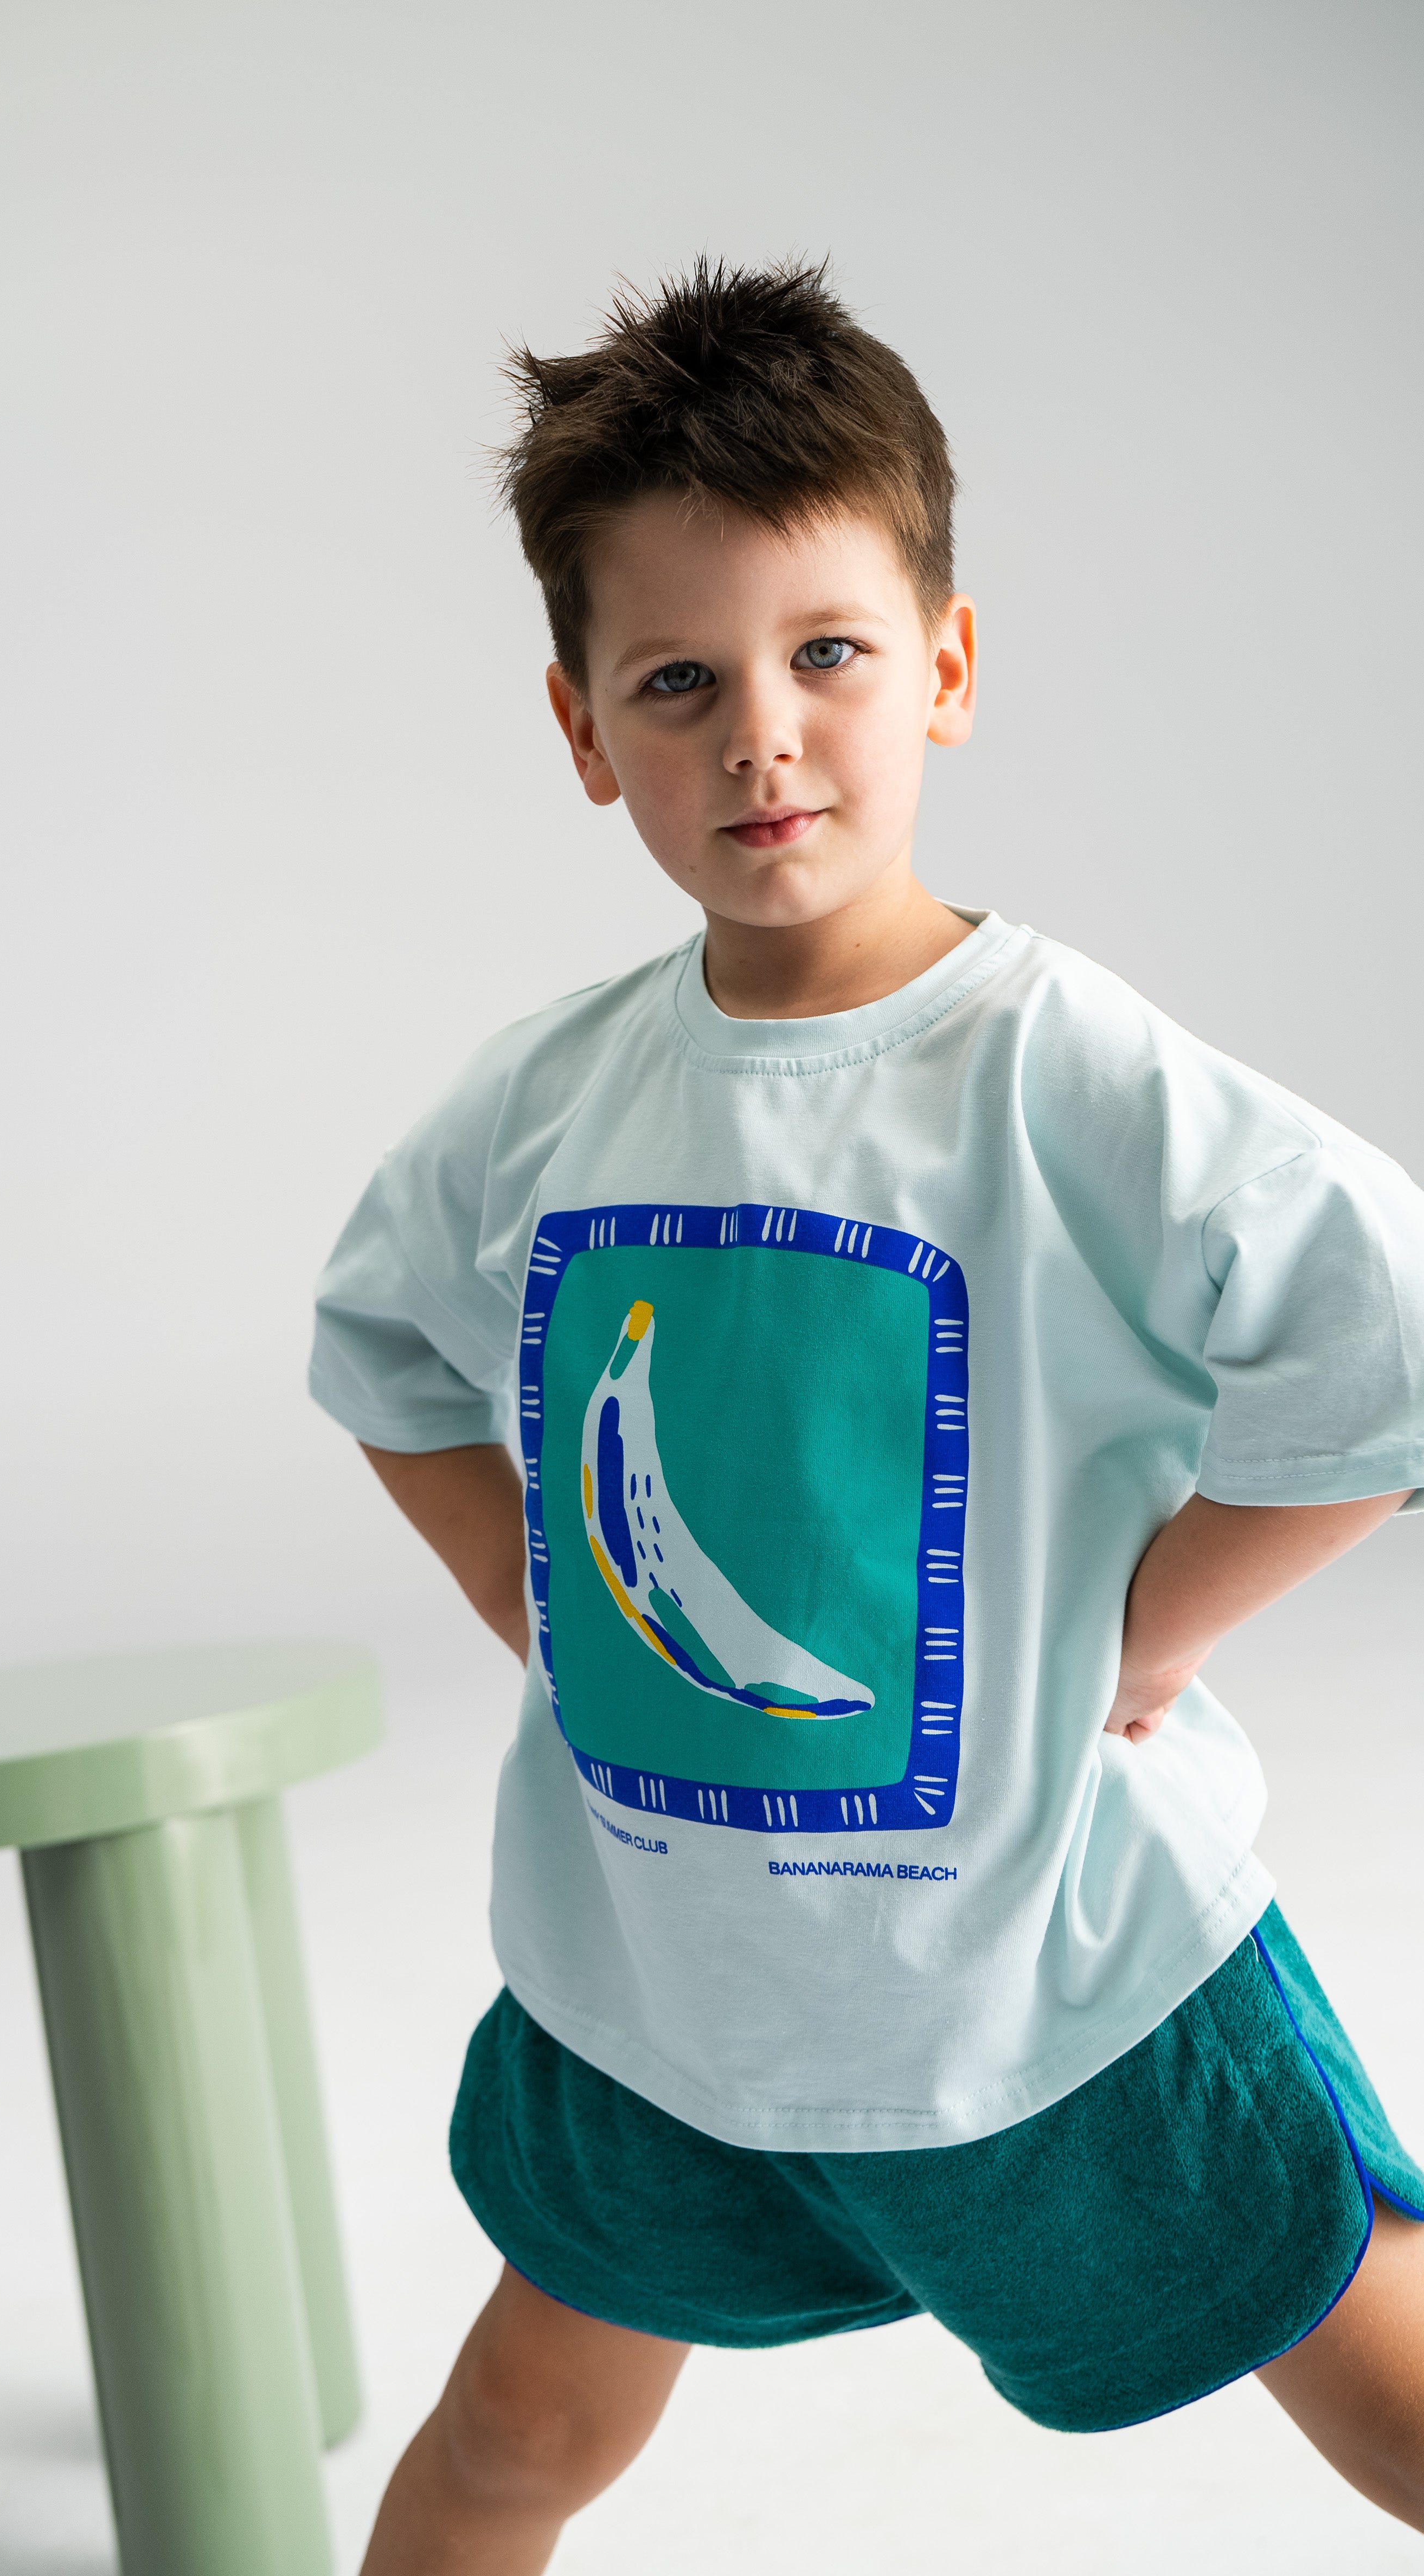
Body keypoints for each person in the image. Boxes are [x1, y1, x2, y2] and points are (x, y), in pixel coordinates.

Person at [309, 260, 1424, 2572]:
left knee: (1387, 2375)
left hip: (1054, 1973)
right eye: (681, 682)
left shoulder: (1064, 1074)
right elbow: (389, 1343)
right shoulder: (551, 1095)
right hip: (669, 1988)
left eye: (826, 654)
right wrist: (518, 1578)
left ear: (948, 664)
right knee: (516, 2429)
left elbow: (1383, 1347)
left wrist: (1158, 1627)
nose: (764, 739)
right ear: (581, 726)